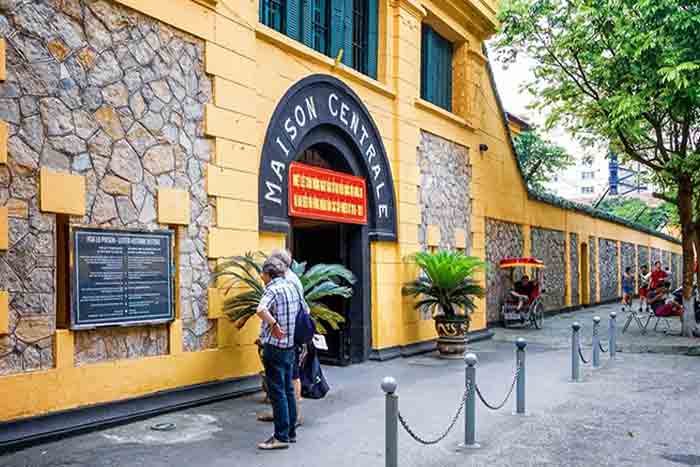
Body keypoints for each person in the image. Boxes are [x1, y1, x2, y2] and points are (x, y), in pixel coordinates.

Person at [256, 257, 303, 450]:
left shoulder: (273, 289)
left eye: (263, 274)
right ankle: (290, 433)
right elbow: (304, 310)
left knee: (278, 392)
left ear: (268, 274)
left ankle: (281, 437)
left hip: (275, 346)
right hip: (291, 345)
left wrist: (274, 324)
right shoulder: (292, 286)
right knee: (288, 389)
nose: (261, 277)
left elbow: (260, 309)